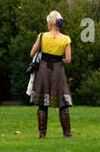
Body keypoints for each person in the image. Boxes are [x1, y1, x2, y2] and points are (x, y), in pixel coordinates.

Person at [29, 10, 72, 138]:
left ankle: (42, 134)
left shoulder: (42, 36)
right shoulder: (65, 39)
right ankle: (67, 134)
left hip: (43, 70)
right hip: (58, 71)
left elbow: (32, 53)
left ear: (50, 22)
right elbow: (68, 59)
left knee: (42, 103)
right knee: (63, 103)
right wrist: (59, 61)